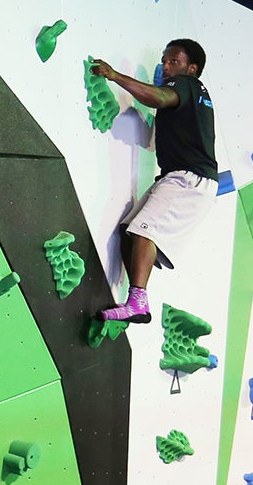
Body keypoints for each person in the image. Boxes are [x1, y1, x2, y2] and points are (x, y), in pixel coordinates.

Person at [91, 38, 217, 325]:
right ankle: (137, 302)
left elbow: (158, 98)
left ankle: (137, 300)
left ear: (192, 68)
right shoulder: (195, 95)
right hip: (182, 177)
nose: (165, 66)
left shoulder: (186, 85)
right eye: (164, 60)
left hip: (189, 180)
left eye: (174, 61)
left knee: (144, 231)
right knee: (129, 231)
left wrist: (114, 76)